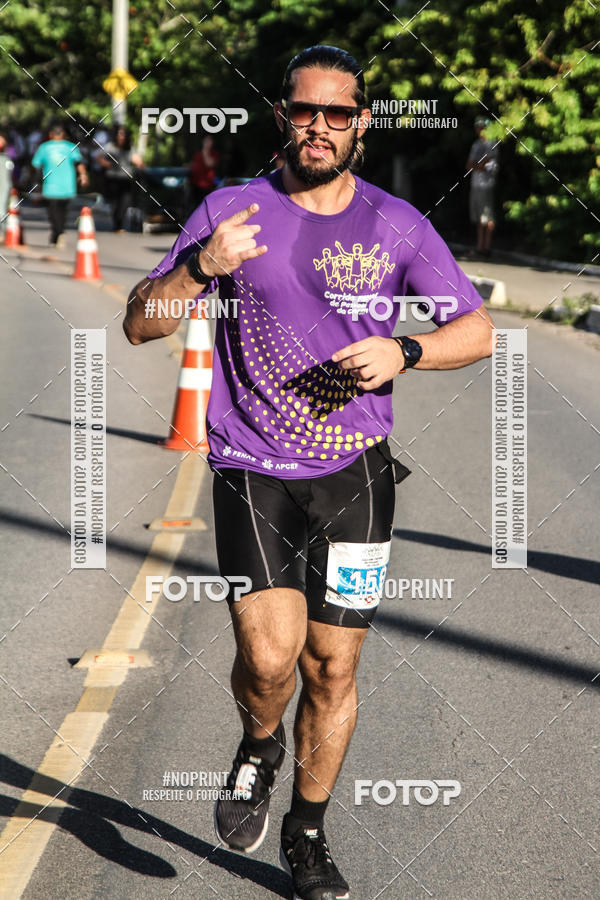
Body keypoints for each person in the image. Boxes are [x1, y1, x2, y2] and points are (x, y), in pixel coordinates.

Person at [124, 45, 494, 900]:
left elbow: (474, 330)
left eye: (336, 113)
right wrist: (200, 267)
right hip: (252, 466)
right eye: (303, 111)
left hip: (357, 477)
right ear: (282, 117)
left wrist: (406, 349)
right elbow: (142, 323)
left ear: (361, 123)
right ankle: (260, 740)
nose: (318, 127)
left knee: (333, 669)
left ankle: (308, 833)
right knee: (268, 657)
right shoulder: (232, 209)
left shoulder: (397, 222)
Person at [31, 123, 88, 247]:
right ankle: (58, 232)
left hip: (55, 185)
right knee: (59, 211)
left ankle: (58, 232)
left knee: (55, 211)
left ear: (51, 135)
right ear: (62, 134)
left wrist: (35, 182)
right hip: (62, 185)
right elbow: (79, 163)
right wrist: (83, 175)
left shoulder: (45, 147)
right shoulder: (68, 147)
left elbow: (35, 165)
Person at [97, 125, 143, 232]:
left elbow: (137, 160)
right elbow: (99, 156)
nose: (121, 137)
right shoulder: (110, 147)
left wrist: (140, 165)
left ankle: (119, 222)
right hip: (112, 178)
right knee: (114, 202)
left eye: (123, 134)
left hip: (126, 179)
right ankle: (116, 224)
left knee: (125, 202)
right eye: (119, 134)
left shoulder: (130, 148)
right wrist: (105, 163)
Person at [466, 116, 498, 256]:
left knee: (488, 216)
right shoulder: (476, 144)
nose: (479, 130)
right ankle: (480, 246)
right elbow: (469, 166)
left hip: (486, 185)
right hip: (476, 184)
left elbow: (487, 164)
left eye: (482, 127)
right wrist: (478, 166)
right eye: (477, 127)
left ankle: (487, 246)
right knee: (479, 217)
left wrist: (478, 166)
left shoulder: (492, 143)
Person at [188, 135, 219, 211]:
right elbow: (194, 165)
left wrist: (205, 150)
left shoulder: (214, 154)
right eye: (206, 141)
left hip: (206, 186)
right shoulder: (198, 153)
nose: (207, 143)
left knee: (204, 208)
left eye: (209, 141)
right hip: (195, 185)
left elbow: (209, 164)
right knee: (195, 207)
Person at [0, 131, 15, 239]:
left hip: (4, 188)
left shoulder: (7, 157)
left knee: (1, 210)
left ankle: (3, 232)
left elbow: (12, 173)